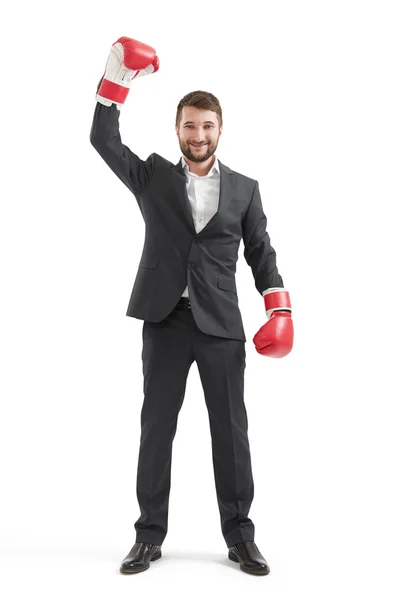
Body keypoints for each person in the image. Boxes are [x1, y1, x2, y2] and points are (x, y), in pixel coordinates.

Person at [90, 36, 294, 577]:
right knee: (157, 428)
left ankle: (241, 537)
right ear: (177, 130)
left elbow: (261, 253)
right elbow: (103, 139)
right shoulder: (153, 176)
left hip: (222, 325)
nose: (197, 135)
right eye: (189, 126)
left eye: (207, 126)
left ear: (219, 131)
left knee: (231, 432)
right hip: (164, 320)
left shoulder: (246, 190)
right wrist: (115, 79)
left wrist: (281, 309)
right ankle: (148, 536)